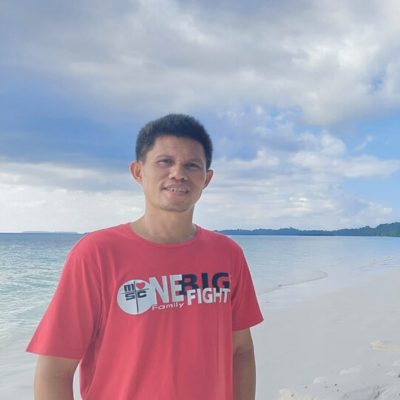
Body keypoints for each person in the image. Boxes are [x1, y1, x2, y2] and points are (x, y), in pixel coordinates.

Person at [27, 114, 264, 400]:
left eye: (192, 165)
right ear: (138, 172)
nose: (178, 173)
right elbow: (55, 371)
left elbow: (241, 350)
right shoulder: (96, 254)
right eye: (165, 161)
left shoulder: (227, 254)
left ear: (207, 179)